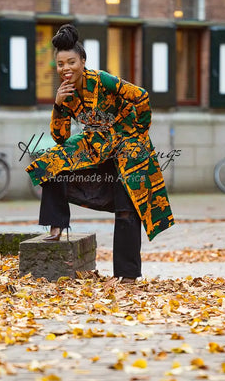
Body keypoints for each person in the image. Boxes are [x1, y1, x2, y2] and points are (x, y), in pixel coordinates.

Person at [26, 24, 174, 282]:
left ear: (83, 61)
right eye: (60, 64)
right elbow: (60, 137)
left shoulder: (102, 80)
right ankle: (56, 224)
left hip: (127, 146)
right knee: (47, 163)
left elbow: (141, 97)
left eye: (71, 61)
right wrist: (58, 106)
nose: (66, 68)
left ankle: (127, 275)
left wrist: (136, 131)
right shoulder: (66, 94)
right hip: (95, 146)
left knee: (128, 207)